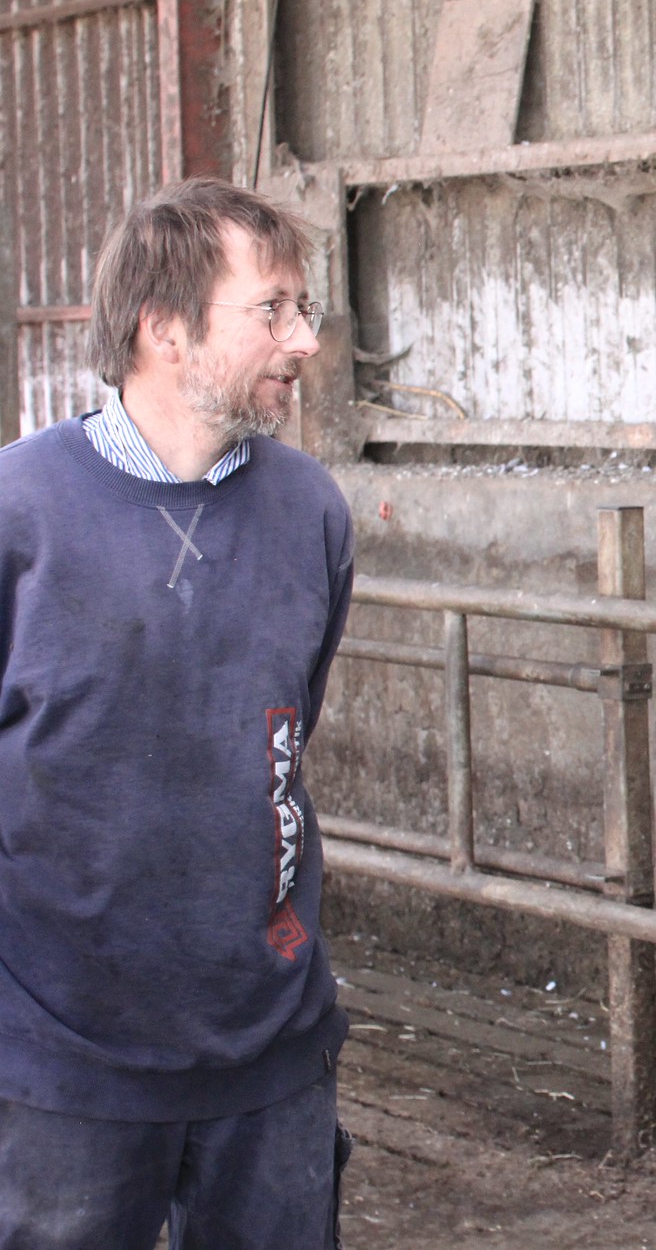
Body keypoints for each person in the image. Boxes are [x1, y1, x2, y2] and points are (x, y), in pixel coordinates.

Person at [0, 178, 355, 1247]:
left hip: (271, 1044)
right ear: (164, 327)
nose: (303, 339)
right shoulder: (23, 512)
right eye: (273, 310)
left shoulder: (310, 512)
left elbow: (284, 730)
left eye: (303, 308)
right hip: (64, 1051)